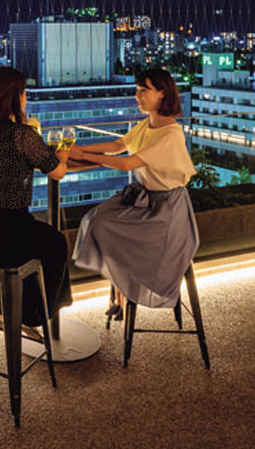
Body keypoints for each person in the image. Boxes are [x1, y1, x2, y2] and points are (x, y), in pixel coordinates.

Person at [71, 68, 198, 318]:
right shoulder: (146, 125)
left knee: (105, 225)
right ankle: (122, 290)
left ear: (162, 94)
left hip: (167, 213)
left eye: (143, 90)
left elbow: (129, 163)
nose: (137, 95)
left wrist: (83, 155)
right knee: (96, 220)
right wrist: (80, 149)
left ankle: (125, 291)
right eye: (137, 90)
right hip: (146, 201)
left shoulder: (171, 133)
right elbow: (118, 145)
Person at [0, 66, 72, 335]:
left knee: (35, 242)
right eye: (23, 93)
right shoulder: (23, 135)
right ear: (15, 97)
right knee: (56, 244)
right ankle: (31, 314)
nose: (25, 98)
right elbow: (58, 171)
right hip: (7, 229)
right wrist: (64, 152)